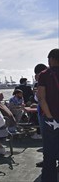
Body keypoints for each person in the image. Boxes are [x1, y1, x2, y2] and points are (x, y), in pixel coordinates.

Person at [37, 48, 59, 182]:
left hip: (51, 120)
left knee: (49, 153)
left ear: (51, 59)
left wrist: (50, 117)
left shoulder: (44, 74)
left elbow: (41, 98)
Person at [33, 63, 47, 167]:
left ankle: (47, 160)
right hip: (47, 113)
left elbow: (39, 98)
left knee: (47, 138)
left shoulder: (43, 82)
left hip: (45, 114)